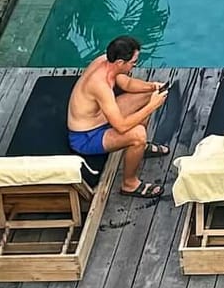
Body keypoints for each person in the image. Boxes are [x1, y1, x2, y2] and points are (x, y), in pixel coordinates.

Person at [67, 36, 169, 198]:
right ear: (121, 62)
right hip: (86, 137)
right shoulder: (100, 85)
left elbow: (127, 84)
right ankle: (129, 184)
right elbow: (120, 126)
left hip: (100, 118)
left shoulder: (107, 61)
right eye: (133, 62)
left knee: (149, 94)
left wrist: (152, 87)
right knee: (138, 135)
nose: (135, 65)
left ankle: (138, 149)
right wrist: (152, 106)